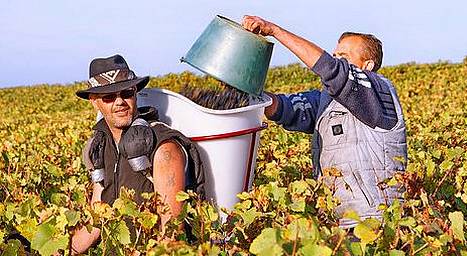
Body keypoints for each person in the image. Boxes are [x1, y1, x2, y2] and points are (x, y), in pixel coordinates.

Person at [242, 16, 408, 228]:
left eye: (344, 57)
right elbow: (284, 108)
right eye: (335, 55)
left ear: (368, 65)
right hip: (336, 220)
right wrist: (245, 89)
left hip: (375, 220)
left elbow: (332, 70)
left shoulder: (378, 89)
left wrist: (274, 30)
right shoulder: (326, 100)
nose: (337, 60)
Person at [71, 54, 205, 254]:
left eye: (126, 93)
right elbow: (96, 221)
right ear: (94, 101)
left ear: (135, 93)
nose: (120, 102)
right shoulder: (100, 147)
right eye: (108, 97)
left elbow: (172, 235)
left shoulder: (164, 149)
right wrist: (65, 251)